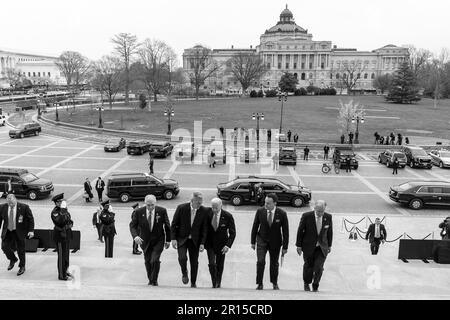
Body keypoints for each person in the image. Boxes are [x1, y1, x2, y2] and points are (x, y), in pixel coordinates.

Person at [251, 193, 289, 290]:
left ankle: (274, 282)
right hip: (261, 240)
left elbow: (285, 231)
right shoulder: (260, 211)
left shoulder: (282, 214)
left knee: (274, 263)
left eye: (268, 203)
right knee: (260, 262)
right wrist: (252, 242)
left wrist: (285, 247)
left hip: (275, 242)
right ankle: (259, 283)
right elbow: (255, 226)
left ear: (274, 203)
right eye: (265, 202)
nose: (265, 205)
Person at [130, 195, 171, 286]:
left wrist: (168, 240)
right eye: (148, 205)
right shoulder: (138, 212)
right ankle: (151, 279)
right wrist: (135, 236)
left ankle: (154, 280)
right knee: (147, 261)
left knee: (154, 260)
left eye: (152, 205)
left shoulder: (162, 211)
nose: (150, 207)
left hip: (158, 240)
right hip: (145, 240)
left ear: (155, 203)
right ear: (145, 204)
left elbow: (167, 226)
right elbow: (132, 226)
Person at [171, 192, 208, 288]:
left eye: (201, 202)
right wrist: (173, 238)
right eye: (198, 203)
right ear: (192, 201)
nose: (200, 204)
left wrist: (202, 243)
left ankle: (193, 282)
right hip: (182, 238)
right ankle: (184, 272)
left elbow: (205, 229)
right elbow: (174, 224)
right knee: (182, 258)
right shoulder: (181, 208)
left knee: (194, 262)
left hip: (195, 241)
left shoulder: (203, 211)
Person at [296, 200, 333, 292]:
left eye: (322, 211)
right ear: (314, 208)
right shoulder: (306, 216)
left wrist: (329, 245)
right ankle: (306, 282)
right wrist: (299, 245)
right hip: (308, 246)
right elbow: (300, 231)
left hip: (322, 247)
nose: (320, 213)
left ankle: (316, 284)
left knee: (319, 267)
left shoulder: (328, 217)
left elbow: (329, 232)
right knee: (308, 266)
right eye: (318, 211)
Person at [0, 194, 34, 276]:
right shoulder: (2, 207)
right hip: (8, 230)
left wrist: (31, 230)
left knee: (21, 250)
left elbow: (30, 219)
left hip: (19, 231)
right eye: (9, 202)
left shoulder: (24, 207)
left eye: (11, 202)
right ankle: (13, 259)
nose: (10, 204)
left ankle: (22, 266)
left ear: (15, 199)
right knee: (4, 246)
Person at [205, 198, 236, 288]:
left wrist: (228, 245)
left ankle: (218, 281)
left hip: (222, 244)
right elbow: (204, 229)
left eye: (216, 208)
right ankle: (214, 281)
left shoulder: (228, 216)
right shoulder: (208, 214)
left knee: (219, 265)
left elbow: (233, 233)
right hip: (210, 244)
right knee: (212, 264)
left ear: (221, 206)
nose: (214, 210)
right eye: (212, 207)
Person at [51, 193, 73, 281]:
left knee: (66, 255)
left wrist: (70, 224)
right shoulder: (55, 212)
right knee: (61, 256)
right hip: (60, 236)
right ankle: (61, 275)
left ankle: (65, 270)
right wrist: (63, 210)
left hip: (66, 234)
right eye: (60, 202)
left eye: (62, 201)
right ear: (56, 203)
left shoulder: (64, 210)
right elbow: (60, 222)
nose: (62, 203)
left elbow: (69, 220)